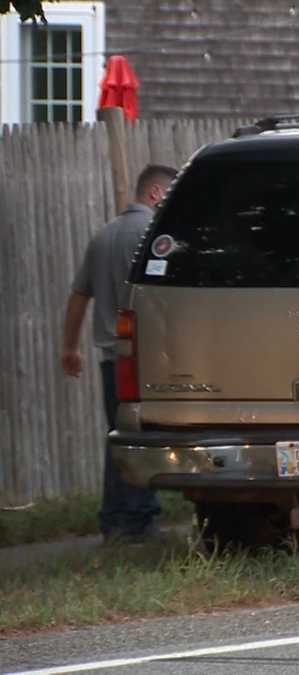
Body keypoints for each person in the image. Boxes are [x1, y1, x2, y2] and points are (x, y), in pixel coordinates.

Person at [61, 164, 178, 543]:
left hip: (112, 358)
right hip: (145, 359)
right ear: (156, 194)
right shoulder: (154, 237)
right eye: (171, 195)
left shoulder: (103, 236)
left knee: (117, 436)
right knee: (142, 439)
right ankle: (139, 521)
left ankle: (113, 519)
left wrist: (70, 347)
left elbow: (79, 296)